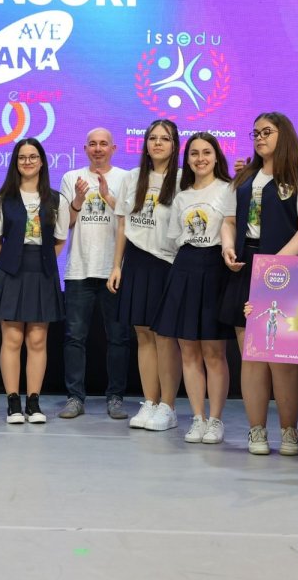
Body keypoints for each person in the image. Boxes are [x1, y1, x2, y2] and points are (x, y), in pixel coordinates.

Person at [220, 112, 298, 455]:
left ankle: (289, 431)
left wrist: (278, 261)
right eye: (256, 133)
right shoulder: (244, 177)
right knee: (251, 355)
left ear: (284, 135)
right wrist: (227, 246)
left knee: (283, 358)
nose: (260, 138)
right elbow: (229, 221)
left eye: (267, 132)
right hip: (245, 267)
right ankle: (257, 430)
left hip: (284, 272)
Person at [151, 132, 235, 444]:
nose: (201, 158)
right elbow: (175, 240)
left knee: (213, 351)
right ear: (187, 160)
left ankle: (216, 420)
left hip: (215, 268)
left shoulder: (228, 189)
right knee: (188, 349)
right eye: (194, 153)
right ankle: (197, 418)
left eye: (206, 152)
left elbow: (231, 229)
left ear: (217, 156)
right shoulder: (182, 196)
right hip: (185, 267)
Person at [107, 119, 183, 431]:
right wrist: (117, 265)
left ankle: (168, 406)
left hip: (168, 262)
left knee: (164, 337)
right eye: (153, 138)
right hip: (137, 260)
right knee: (143, 334)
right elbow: (122, 224)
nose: (157, 143)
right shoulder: (132, 177)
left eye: (164, 138)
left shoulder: (183, 179)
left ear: (174, 145)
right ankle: (150, 402)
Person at [0, 138, 69, 424]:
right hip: (11, 272)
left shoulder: (57, 200)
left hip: (42, 272)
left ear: (42, 161)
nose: (28, 162)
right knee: (11, 338)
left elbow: (60, 240)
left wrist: (42, 260)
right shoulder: (1, 200)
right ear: (15, 162)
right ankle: (13, 402)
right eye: (22, 157)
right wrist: (11, 263)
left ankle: (33, 402)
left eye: (33, 157)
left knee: (37, 339)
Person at [58, 128, 130, 420]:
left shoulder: (126, 178)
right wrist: (77, 199)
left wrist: (107, 196)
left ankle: (116, 397)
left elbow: (130, 220)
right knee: (74, 338)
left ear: (114, 148)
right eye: (92, 144)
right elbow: (65, 224)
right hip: (79, 269)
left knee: (118, 338)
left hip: (114, 270)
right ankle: (75, 398)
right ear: (85, 148)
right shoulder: (71, 177)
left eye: (103, 144)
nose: (98, 148)